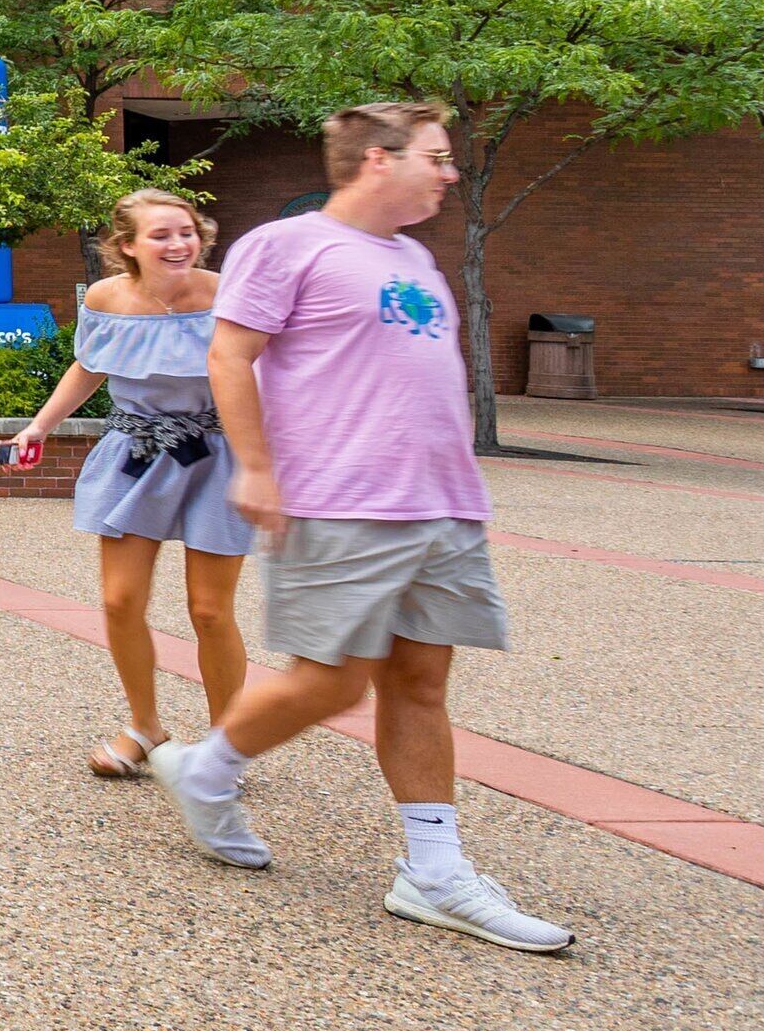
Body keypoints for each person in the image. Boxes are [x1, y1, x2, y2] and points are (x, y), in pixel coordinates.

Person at [149, 103, 573, 954]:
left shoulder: (412, 254)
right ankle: (209, 768)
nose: (451, 174)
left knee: (420, 681)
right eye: (438, 158)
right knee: (332, 682)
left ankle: (433, 873)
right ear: (378, 159)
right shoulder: (287, 244)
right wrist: (259, 469)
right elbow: (230, 356)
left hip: (441, 501)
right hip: (342, 496)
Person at [7, 188, 250, 781]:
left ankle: (225, 747)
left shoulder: (228, 293)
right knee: (119, 601)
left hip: (217, 452)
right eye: (162, 235)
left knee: (211, 611)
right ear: (127, 247)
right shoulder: (105, 298)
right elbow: (90, 365)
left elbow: (266, 368)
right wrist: (40, 425)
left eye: (187, 232)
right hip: (136, 451)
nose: (178, 244)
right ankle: (146, 726)